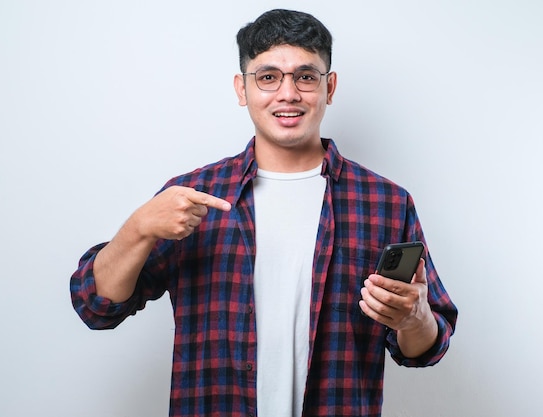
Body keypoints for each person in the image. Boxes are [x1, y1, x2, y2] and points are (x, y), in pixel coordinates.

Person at [70, 8, 457, 417]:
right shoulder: (192, 197)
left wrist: (415, 318)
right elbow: (96, 306)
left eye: (306, 77)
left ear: (330, 87)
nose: (287, 93)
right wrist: (139, 228)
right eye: (268, 77)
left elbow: (425, 350)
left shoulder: (385, 203)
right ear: (242, 89)